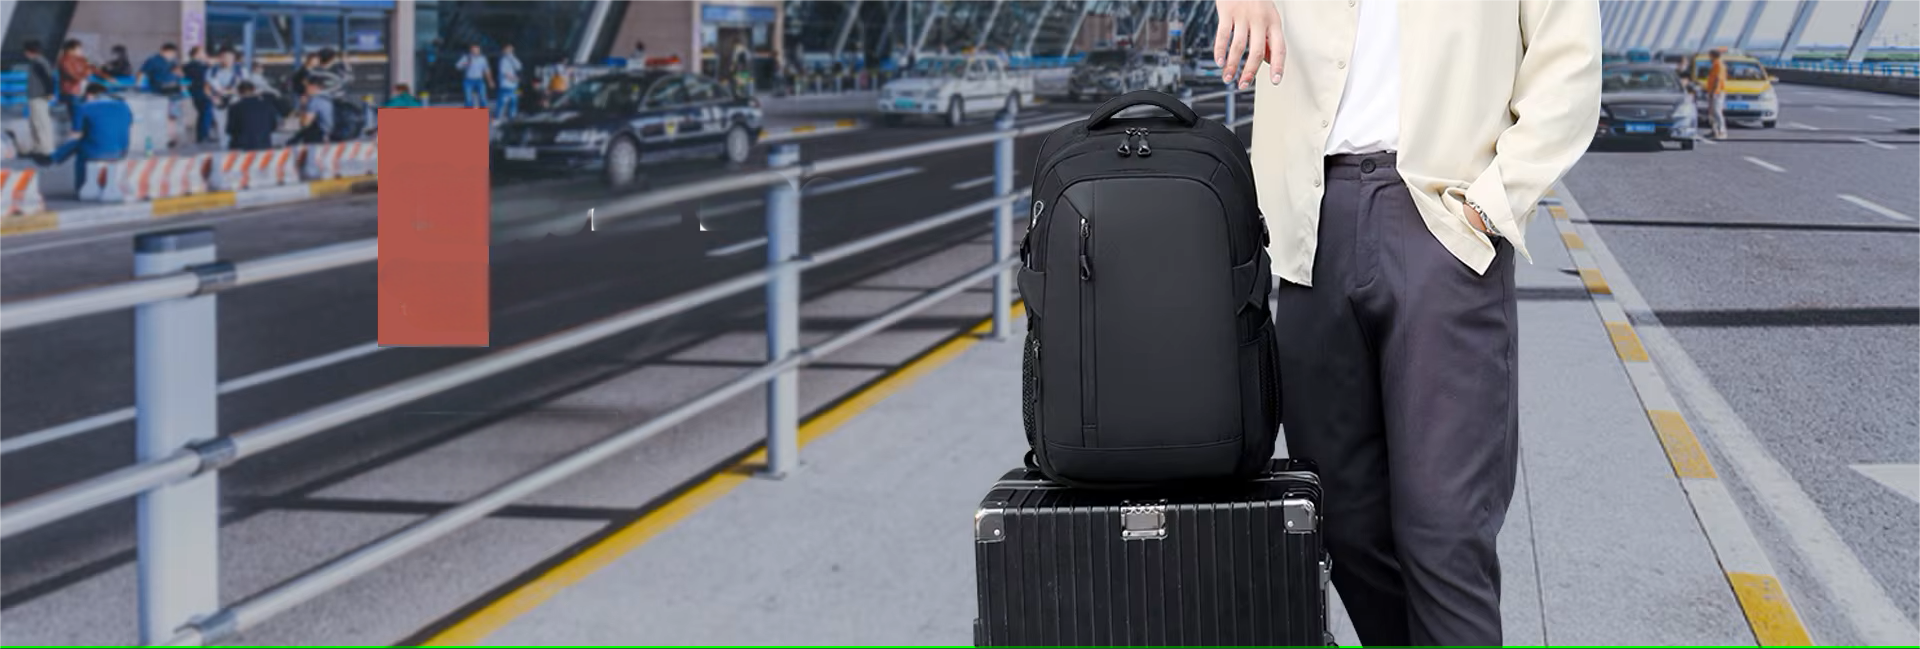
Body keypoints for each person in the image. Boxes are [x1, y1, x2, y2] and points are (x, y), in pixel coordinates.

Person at [1215, 0, 1600, 644]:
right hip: (1311, 222)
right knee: (1339, 518)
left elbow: (1570, 67)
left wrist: (1489, 205)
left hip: (1441, 215)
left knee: (1445, 528)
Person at [44, 83, 133, 194]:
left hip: (96, 153)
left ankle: (79, 185)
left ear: (89, 95)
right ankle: (54, 158)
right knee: (84, 142)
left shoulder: (84, 107)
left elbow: (75, 134)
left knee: (77, 144)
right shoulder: (124, 106)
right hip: (121, 152)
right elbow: (127, 124)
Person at [21, 41, 59, 157]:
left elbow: (48, 78)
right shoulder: (37, 62)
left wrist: (49, 92)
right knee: (35, 122)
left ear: (29, 51)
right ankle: (38, 146)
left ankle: (45, 148)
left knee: (41, 122)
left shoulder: (39, 62)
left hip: (39, 97)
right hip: (35, 96)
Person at [58, 40, 101, 130]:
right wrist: (87, 71)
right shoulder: (65, 61)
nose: (81, 51)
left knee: (82, 120)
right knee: (77, 122)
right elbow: (74, 77)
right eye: (79, 49)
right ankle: (76, 140)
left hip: (80, 93)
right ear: (71, 50)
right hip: (72, 93)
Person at [224, 81, 280, 151]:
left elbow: (230, 130)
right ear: (254, 90)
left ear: (239, 92)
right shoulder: (267, 105)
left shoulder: (235, 108)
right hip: (264, 145)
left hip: (242, 147)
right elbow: (273, 126)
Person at [180, 46, 216, 143]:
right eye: (203, 53)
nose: (205, 55)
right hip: (200, 92)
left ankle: (203, 135)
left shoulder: (199, 65)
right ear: (197, 54)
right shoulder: (192, 66)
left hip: (200, 91)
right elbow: (203, 78)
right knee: (206, 111)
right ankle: (203, 136)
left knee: (204, 113)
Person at [290, 78, 334, 144]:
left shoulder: (315, 101)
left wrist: (303, 106)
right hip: (329, 135)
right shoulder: (327, 97)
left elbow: (305, 123)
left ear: (312, 86)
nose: (305, 89)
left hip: (318, 138)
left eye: (306, 86)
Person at [457, 44, 493, 109]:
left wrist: (490, 81)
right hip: (468, 80)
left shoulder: (483, 58)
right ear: (470, 50)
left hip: (479, 80)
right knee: (468, 99)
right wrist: (466, 64)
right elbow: (458, 66)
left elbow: (487, 70)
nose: (475, 51)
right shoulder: (466, 57)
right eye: (474, 50)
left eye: (477, 50)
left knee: (483, 98)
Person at [1704, 49, 1728, 139]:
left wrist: (1713, 91)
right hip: (1713, 91)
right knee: (1712, 112)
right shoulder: (1715, 64)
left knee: (1717, 111)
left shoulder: (1719, 65)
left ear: (1713, 56)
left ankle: (1722, 131)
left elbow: (1717, 79)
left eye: (1709, 56)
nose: (1708, 58)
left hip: (1717, 92)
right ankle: (1714, 130)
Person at [495, 43, 523, 120]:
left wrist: (512, 59)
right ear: (504, 50)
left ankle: (512, 116)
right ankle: (498, 116)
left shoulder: (513, 58)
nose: (510, 51)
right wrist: (513, 78)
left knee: (514, 100)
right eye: (508, 49)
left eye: (511, 49)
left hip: (515, 85)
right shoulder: (503, 60)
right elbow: (504, 72)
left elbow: (519, 66)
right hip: (505, 85)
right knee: (502, 101)